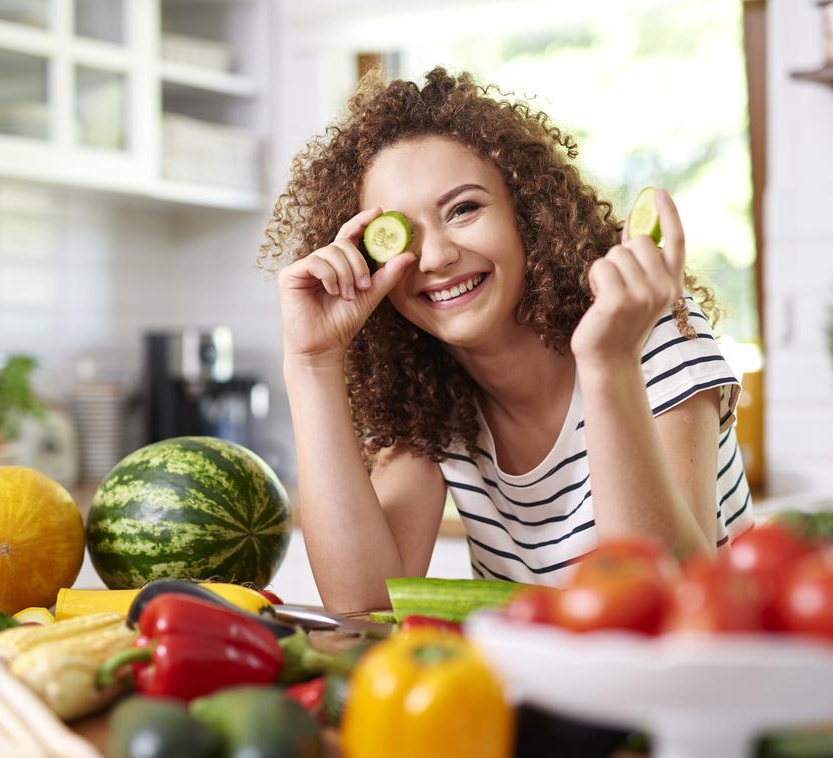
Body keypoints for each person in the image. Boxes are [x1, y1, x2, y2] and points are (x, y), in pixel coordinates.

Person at [260, 66, 753, 613]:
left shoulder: (647, 336)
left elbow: (666, 598)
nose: (437, 257)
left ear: (528, 213)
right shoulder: (431, 400)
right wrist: (311, 363)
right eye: (403, 233)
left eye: (464, 210)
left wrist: (608, 363)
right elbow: (363, 603)